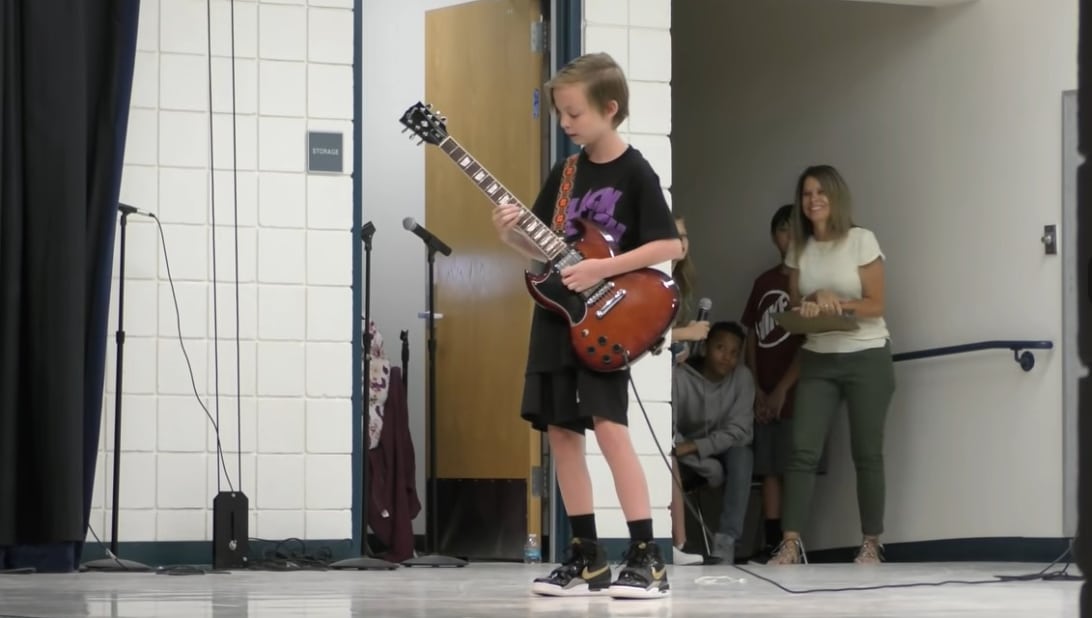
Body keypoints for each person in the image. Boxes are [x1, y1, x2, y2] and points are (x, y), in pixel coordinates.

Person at [492, 52, 682, 599]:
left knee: (609, 428)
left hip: (607, 315)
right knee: (560, 432)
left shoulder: (635, 170)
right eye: (560, 115)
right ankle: (586, 556)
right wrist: (509, 233)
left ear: (609, 108)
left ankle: (648, 555)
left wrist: (603, 267)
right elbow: (540, 244)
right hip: (557, 313)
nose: (567, 124)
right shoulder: (566, 172)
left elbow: (670, 244)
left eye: (574, 113)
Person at [769, 165, 895, 566]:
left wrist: (833, 301)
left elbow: (876, 305)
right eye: (806, 193)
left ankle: (871, 544)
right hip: (818, 357)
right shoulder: (799, 249)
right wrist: (807, 305)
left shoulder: (861, 240)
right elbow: (792, 304)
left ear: (836, 196)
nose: (813, 200)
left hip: (866, 355)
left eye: (821, 192)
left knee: (867, 453)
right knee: (802, 451)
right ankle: (790, 543)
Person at [739, 204, 804, 561]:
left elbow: (811, 343)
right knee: (768, 469)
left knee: (793, 466)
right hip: (763, 391)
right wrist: (757, 389)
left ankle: (792, 542)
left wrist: (781, 389)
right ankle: (771, 540)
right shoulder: (764, 282)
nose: (789, 237)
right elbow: (750, 335)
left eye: (795, 230)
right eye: (782, 230)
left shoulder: (811, 282)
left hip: (796, 393)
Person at [670, 322, 754, 565]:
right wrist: (689, 449)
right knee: (667, 459)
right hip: (685, 453)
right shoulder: (680, 375)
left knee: (743, 454)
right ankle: (675, 542)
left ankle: (725, 541)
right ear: (705, 348)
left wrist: (697, 446)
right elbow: (668, 426)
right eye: (720, 348)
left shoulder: (742, 378)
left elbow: (740, 432)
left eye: (734, 352)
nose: (726, 357)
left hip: (716, 449)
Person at [670, 216, 710, 365]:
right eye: (674, 236)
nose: (681, 242)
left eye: (684, 236)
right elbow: (645, 337)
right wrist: (687, 333)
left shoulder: (679, 279)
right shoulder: (650, 280)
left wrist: (683, 332)